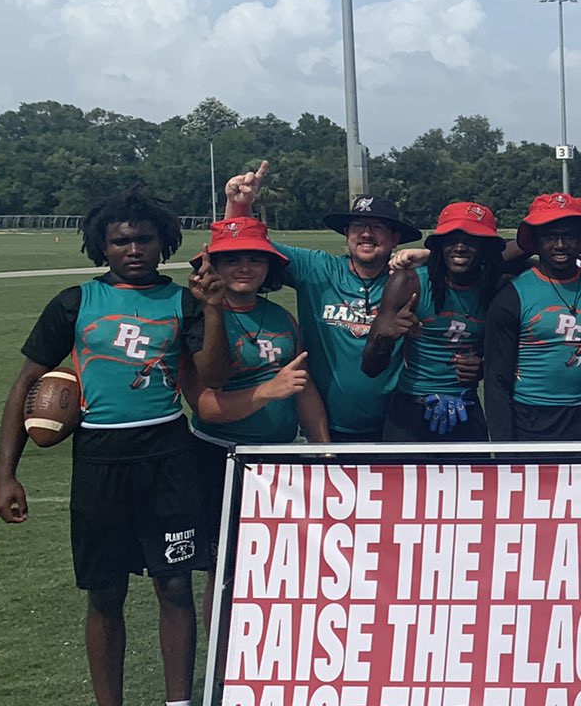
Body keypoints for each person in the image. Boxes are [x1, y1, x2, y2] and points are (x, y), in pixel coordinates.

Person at [0, 186, 231, 706]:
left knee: (174, 584)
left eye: (143, 239)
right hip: (99, 460)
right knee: (104, 592)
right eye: (120, 240)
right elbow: (25, 386)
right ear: (101, 244)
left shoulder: (183, 301)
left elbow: (215, 375)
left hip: (168, 454)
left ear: (162, 242)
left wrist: (214, 309)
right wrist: (6, 474)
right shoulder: (75, 303)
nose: (133, 249)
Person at [222, 161, 418, 441]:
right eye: (358, 226)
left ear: (395, 238)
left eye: (377, 227)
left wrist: (426, 255)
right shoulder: (316, 268)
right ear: (347, 233)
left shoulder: (410, 279)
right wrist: (239, 204)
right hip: (323, 422)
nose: (366, 233)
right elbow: (246, 244)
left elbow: (465, 267)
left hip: (394, 425)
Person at [184, 218, 329, 526]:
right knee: (222, 550)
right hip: (219, 455)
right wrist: (267, 391)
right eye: (232, 260)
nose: (245, 268)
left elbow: (303, 386)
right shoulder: (200, 319)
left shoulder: (281, 317)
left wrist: (323, 449)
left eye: (255, 260)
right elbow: (207, 408)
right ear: (213, 266)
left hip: (280, 457)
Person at [366, 201, 503, 443]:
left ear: (486, 247)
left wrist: (483, 366)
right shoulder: (408, 283)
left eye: (471, 240)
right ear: (440, 245)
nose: (460, 247)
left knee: (475, 470)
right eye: (451, 240)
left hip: (465, 406)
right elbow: (370, 366)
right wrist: (384, 339)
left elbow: (531, 253)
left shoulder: (496, 286)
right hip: (411, 407)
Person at [484, 195, 581, 441]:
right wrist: (504, 447)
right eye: (550, 237)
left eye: (569, 236)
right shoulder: (512, 296)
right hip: (531, 419)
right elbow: (496, 379)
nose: (560, 245)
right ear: (536, 241)